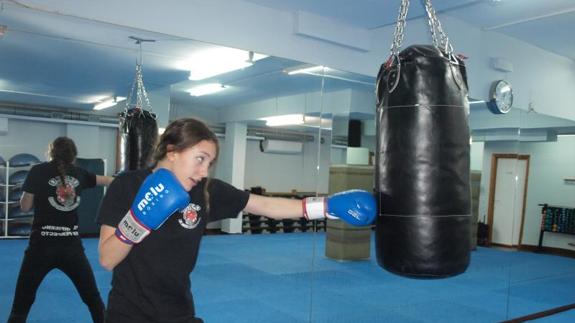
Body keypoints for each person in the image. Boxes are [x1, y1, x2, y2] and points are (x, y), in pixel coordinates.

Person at [97, 118, 376, 323]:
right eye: (200, 159)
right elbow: (107, 259)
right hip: (128, 313)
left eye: (210, 163)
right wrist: (139, 220)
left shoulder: (205, 192)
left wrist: (326, 206)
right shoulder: (127, 187)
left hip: (177, 310)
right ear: (172, 152)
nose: (204, 171)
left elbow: (265, 205)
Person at [7, 137, 114, 323]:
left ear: (51, 153)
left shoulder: (37, 171)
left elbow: (24, 207)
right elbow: (109, 181)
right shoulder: (80, 173)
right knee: (94, 301)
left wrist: (32, 192)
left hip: (40, 248)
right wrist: (137, 181)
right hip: (71, 249)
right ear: (74, 157)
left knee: (20, 306)